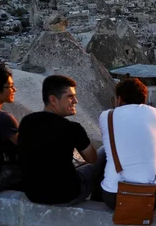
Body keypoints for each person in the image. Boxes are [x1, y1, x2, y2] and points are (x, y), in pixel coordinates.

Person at [18, 75, 103, 205]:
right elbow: (92, 159)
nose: (75, 101)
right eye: (70, 96)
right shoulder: (72, 128)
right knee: (103, 154)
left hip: (33, 194)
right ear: (53, 100)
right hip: (66, 195)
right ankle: (101, 200)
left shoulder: (26, 122)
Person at [98, 77, 156, 210]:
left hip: (113, 197)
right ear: (144, 98)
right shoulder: (155, 113)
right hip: (150, 198)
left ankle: (96, 200)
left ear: (119, 98)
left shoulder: (106, 116)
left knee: (103, 152)